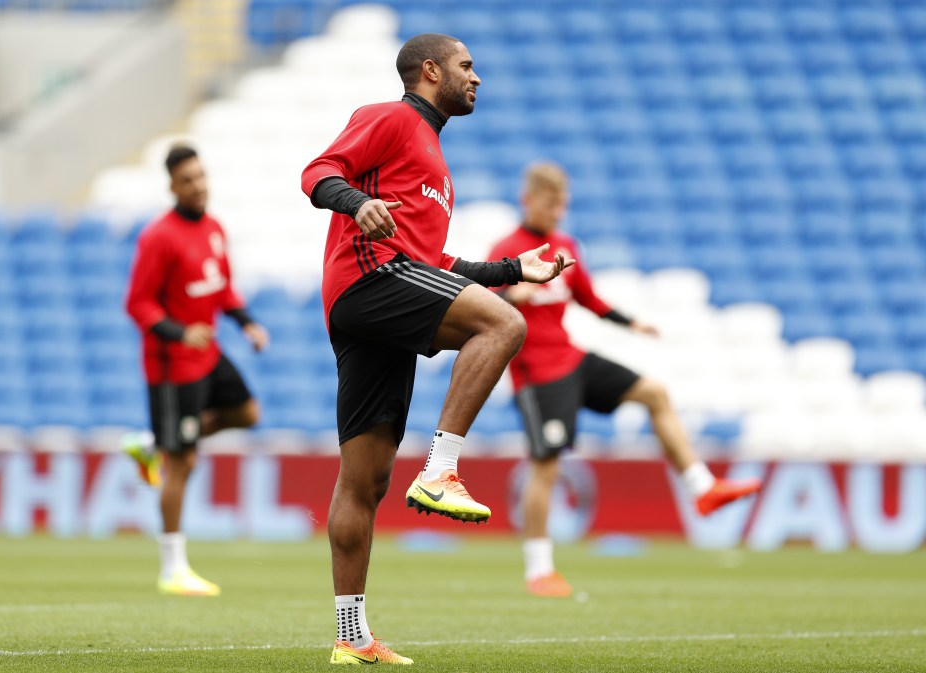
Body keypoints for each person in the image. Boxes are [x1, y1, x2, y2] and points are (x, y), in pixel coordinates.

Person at [301, 34, 573, 666]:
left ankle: (351, 635)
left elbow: (434, 265)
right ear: (430, 70)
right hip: (369, 280)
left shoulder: (434, 161)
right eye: (466, 66)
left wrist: (512, 269)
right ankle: (442, 468)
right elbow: (317, 173)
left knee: (365, 481)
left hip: (376, 296)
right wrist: (358, 201)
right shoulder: (392, 118)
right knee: (504, 328)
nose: (477, 78)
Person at [488, 162, 763, 598]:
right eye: (550, 204)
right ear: (529, 200)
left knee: (655, 392)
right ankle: (539, 570)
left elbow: (589, 299)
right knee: (546, 467)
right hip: (537, 376)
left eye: (563, 205)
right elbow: (481, 303)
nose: (558, 212)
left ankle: (702, 488)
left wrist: (632, 323)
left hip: (572, 358)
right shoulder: (507, 250)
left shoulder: (564, 245)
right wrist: (508, 292)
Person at [124, 144, 269, 597]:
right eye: (188, 180)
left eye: (201, 176)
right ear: (172, 186)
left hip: (208, 354)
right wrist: (179, 332)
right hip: (172, 364)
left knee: (247, 414)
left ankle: (152, 442)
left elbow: (221, 287)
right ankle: (173, 568)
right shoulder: (158, 237)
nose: (198, 185)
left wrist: (247, 323)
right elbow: (138, 303)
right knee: (182, 461)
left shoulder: (214, 229)